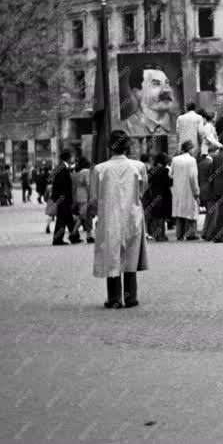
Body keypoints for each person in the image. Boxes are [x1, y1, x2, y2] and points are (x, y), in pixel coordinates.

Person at [90, 129, 148, 309]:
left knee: (111, 256)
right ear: (128, 146)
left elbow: (94, 197)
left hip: (109, 218)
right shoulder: (138, 167)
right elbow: (142, 191)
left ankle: (114, 298)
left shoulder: (99, 169)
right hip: (132, 216)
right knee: (130, 256)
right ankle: (130, 298)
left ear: (109, 147)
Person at [120, 64, 177, 137]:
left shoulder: (180, 123)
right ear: (137, 93)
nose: (167, 90)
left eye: (167, 83)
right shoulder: (124, 130)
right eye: (156, 84)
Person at [169, 140, 200, 241]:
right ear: (190, 149)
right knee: (190, 211)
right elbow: (193, 176)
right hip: (189, 189)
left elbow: (170, 174)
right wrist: (196, 192)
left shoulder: (175, 159)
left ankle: (179, 234)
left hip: (178, 189)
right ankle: (191, 234)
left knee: (180, 211)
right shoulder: (192, 160)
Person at [52, 150, 78, 245]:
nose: (72, 159)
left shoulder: (62, 167)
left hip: (63, 198)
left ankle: (74, 237)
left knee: (68, 217)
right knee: (62, 219)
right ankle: (57, 240)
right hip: (63, 198)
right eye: (71, 157)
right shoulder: (62, 168)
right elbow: (62, 185)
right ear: (68, 157)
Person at [145, 153, 172, 242]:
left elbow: (148, 182)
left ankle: (156, 235)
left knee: (156, 216)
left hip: (154, 195)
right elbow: (167, 183)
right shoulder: (164, 170)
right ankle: (162, 235)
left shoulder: (151, 170)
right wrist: (172, 179)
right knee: (162, 216)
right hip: (164, 195)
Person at [71, 156, 94, 243]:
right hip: (85, 195)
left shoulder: (77, 172)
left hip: (78, 195)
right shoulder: (86, 171)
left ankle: (89, 235)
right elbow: (88, 184)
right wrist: (90, 195)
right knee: (84, 216)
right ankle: (73, 233)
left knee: (86, 216)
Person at [198, 147, 217, 241]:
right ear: (212, 152)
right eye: (216, 152)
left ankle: (205, 232)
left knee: (209, 213)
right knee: (213, 214)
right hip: (211, 191)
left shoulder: (201, 163)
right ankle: (210, 235)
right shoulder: (211, 163)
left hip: (203, 190)